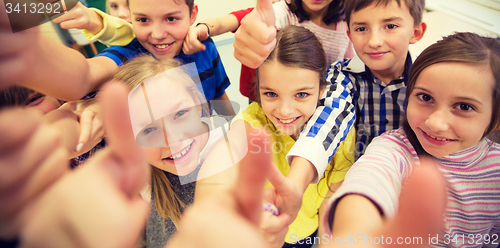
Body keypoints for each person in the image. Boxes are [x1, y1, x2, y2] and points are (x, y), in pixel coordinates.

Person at [322, 32, 500, 248]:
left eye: (464, 107)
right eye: (425, 98)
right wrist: (353, 237)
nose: (436, 123)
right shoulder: (394, 149)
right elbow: (367, 184)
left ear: (495, 117)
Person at [196, 26, 355, 248]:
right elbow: (224, 161)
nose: (285, 111)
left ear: (321, 91)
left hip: (311, 233)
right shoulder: (252, 123)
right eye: (271, 94)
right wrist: (206, 210)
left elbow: (331, 199)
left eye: (301, 94)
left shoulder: (341, 134)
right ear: (258, 90)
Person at [115, 55, 234, 247]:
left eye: (180, 114)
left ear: (197, 100)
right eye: (149, 130)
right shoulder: (144, 177)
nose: (173, 141)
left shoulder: (235, 143)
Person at [50, 0, 234, 116]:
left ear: (192, 14)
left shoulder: (205, 47)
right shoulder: (130, 54)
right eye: (143, 20)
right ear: (131, 17)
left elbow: (219, 96)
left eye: (170, 18)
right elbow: (86, 74)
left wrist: (233, 134)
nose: (158, 34)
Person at [184, 0, 354, 101]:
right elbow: (230, 21)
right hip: (265, 99)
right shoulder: (282, 11)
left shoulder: (347, 22)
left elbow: (344, 68)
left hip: (314, 101)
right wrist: (204, 27)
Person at [0, 86, 106, 168]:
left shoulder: (89, 108)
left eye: (33, 100)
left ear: (59, 97)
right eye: (12, 114)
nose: (31, 116)